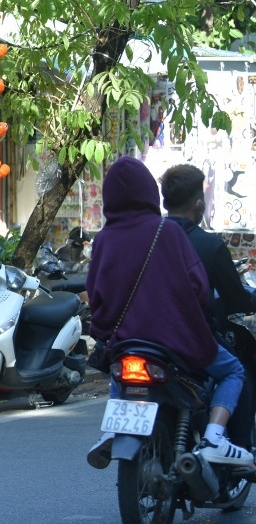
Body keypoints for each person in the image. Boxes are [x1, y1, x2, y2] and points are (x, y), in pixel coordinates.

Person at [85, 156, 253, 469]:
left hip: (127, 339)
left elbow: (95, 292)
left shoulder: (104, 239)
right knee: (233, 370)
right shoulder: (168, 232)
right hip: (176, 338)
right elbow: (199, 287)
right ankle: (215, 436)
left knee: (118, 360)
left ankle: (113, 427)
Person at [161, 163, 256, 449]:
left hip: (141, 333)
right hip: (191, 337)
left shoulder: (148, 238)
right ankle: (231, 443)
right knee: (237, 370)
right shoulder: (207, 245)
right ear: (199, 204)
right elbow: (236, 299)